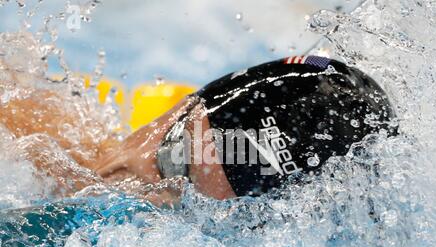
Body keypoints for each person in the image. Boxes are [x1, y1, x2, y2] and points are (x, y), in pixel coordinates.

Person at [95, 55, 396, 202]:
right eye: (173, 146)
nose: (138, 169)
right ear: (183, 105)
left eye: (176, 170)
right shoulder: (54, 142)